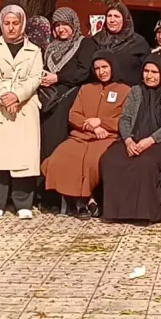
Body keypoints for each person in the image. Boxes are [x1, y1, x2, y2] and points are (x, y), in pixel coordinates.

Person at [39, 51, 128, 219]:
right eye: (97, 68)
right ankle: (82, 200)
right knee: (60, 156)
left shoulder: (125, 91)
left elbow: (125, 120)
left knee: (91, 162)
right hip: (81, 136)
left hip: (107, 138)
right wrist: (92, 128)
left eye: (105, 67)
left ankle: (83, 200)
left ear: (112, 67)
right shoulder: (86, 89)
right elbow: (74, 115)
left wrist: (101, 122)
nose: (101, 72)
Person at [0, 5, 44, 220]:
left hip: (24, 106)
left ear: (22, 24)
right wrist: (4, 96)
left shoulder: (35, 50)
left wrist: (17, 96)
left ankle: (23, 203)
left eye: (15, 23)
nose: (11, 27)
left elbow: (35, 77)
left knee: (23, 157)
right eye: (7, 23)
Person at [100, 56, 161, 224]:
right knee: (110, 159)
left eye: (154, 72)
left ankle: (146, 212)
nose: (149, 76)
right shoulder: (136, 91)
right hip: (134, 138)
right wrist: (128, 140)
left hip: (160, 141)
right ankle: (118, 211)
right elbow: (125, 118)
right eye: (146, 71)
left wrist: (150, 140)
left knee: (145, 163)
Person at [38, 7, 94, 168]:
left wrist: (58, 77)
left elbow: (84, 71)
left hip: (70, 100)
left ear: (73, 24)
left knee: (60, 141)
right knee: (46, 141)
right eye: (57, 25)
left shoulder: (85, 44)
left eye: (65, 24)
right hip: (49, 100)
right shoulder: (51, 47)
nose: (61, 29)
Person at [91, 1, 150, 86]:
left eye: (116, 16)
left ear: (125, 19)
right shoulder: (96, 39)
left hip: (129, 90)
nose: (112, 20)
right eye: (109, 16)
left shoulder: (137, 42)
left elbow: (147, 69)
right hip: (100, 90)